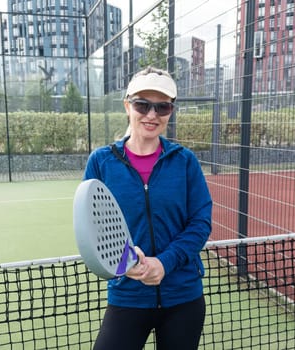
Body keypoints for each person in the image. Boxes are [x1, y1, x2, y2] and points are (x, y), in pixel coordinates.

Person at [83, 66, 212, 350]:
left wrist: (164, 263)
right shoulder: (101, 162)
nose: (152, 115)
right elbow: (95, 227)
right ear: (127, 105)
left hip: (183, 298)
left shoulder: (185, 161)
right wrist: (125, 263)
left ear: (171, 110)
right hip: (127, 296)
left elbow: (200, 222)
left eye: (162, 106)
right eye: (143, 104)